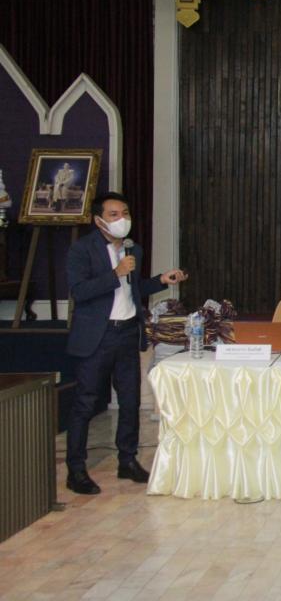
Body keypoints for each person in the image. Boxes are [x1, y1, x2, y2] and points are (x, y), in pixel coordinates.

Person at [65, 192, 188, 495]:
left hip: (126, 334)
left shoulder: (134, 249)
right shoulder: (81, 250)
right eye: (114, 214)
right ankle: (76, 470)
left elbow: (134, 290)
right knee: (85, 403)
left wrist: (161, 280)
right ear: (98, 220)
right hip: (97, 336)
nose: (122, 219)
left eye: (125, 213)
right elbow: (79, 292)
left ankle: (127, 460)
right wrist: (115, 273)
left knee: (130, 401)